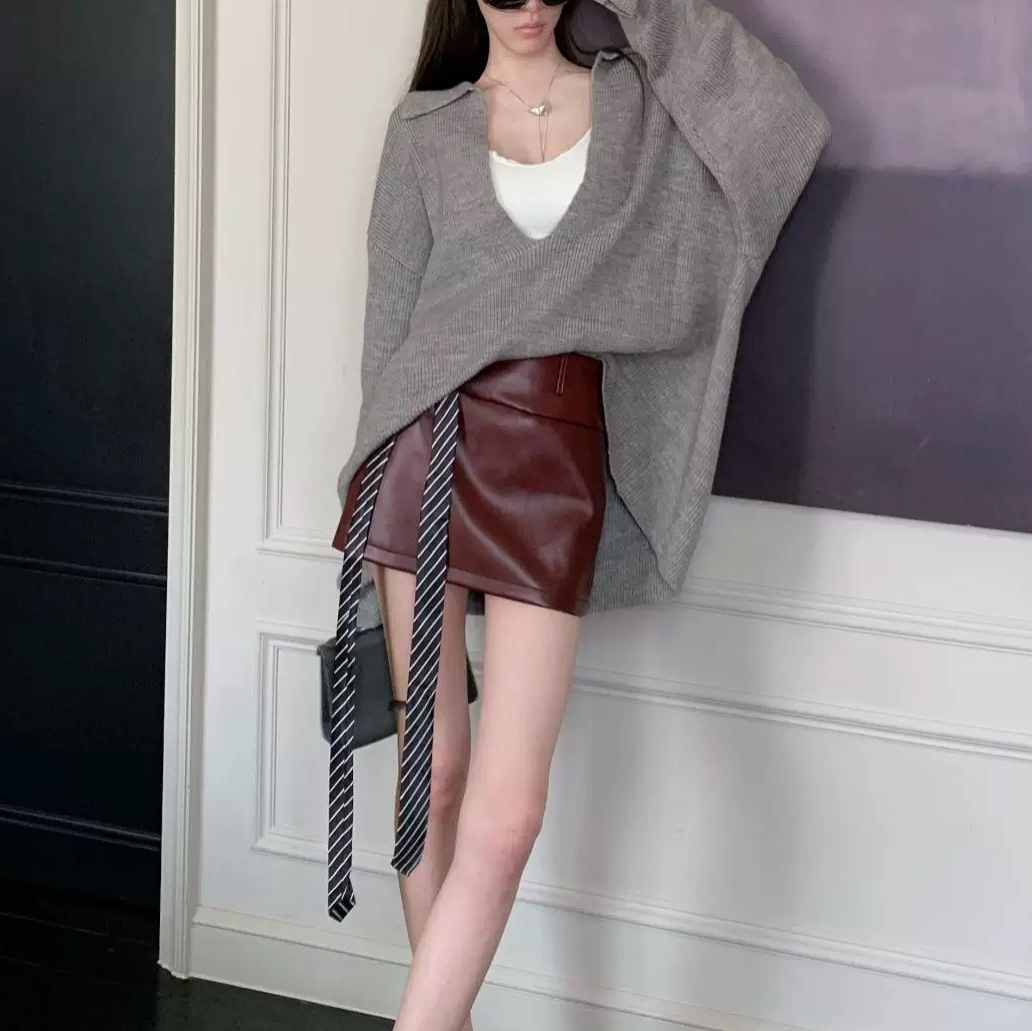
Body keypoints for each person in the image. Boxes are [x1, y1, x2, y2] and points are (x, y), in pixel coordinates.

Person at [328, 1, 830, 1028]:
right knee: (436, 770)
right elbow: (387, 344)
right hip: (421, 448)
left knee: (510, 811)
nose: (526, 4)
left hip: (553, 459)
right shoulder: (423, 129)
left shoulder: (637, 107)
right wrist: (364, 491)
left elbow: (784, 129)